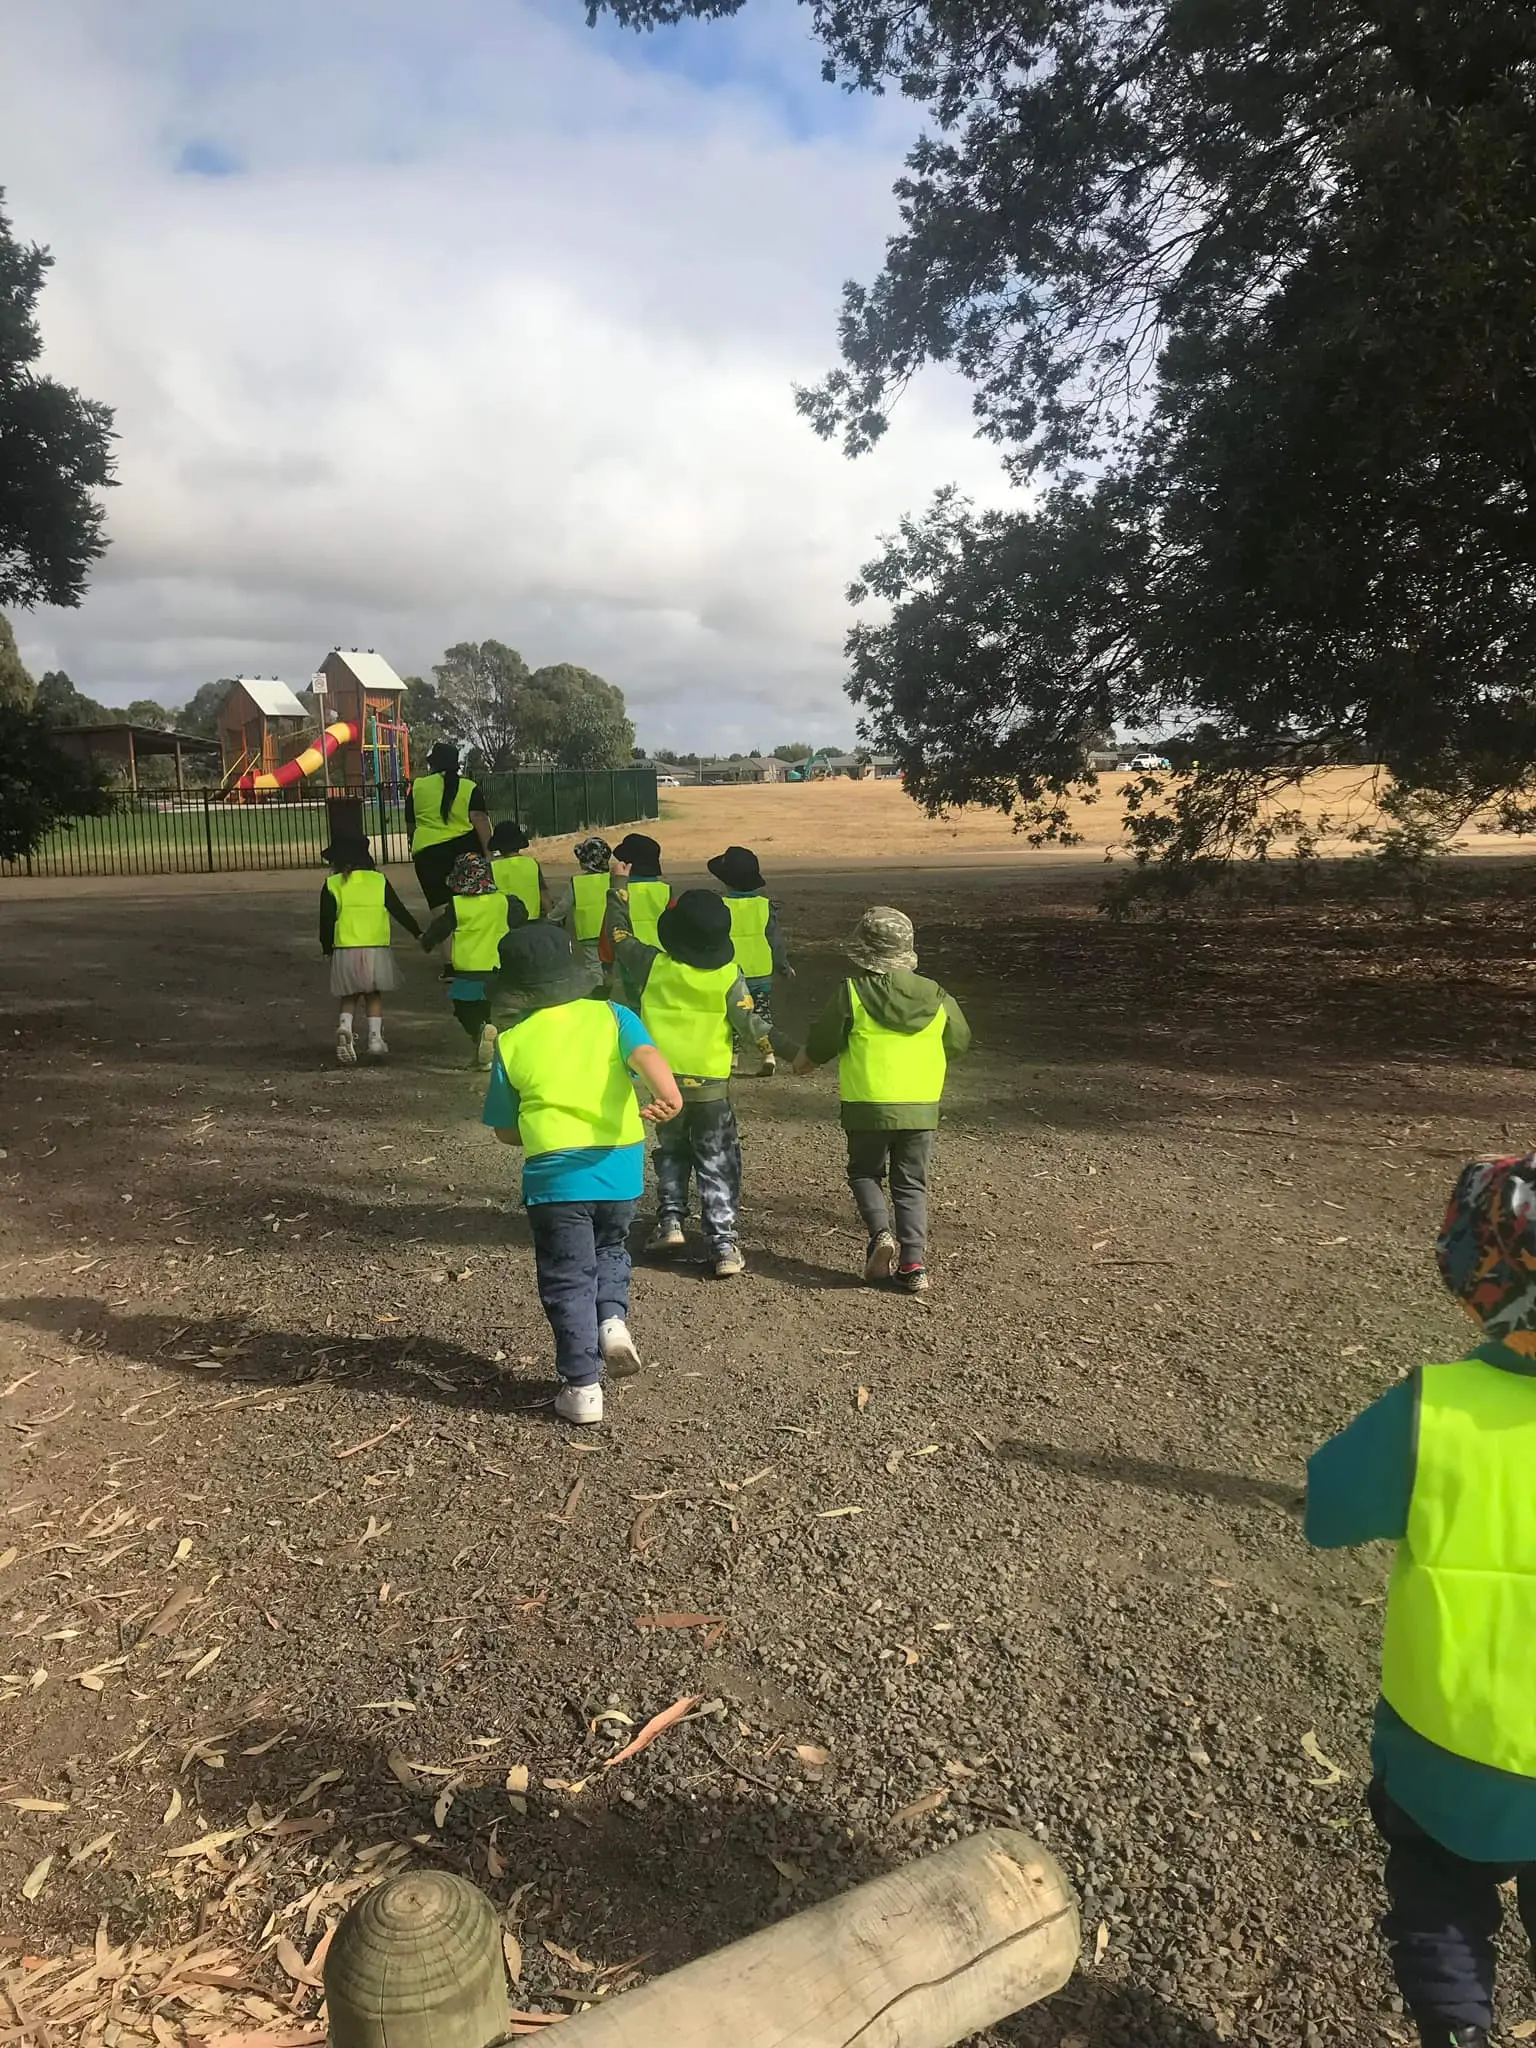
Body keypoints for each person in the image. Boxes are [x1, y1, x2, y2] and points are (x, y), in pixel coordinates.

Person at [1306, 1151, 1536, 2048]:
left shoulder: (1433, 1412)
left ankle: (1456, 2033)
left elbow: (1328, 1507)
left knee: (1441, 1905)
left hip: (1445, 1753)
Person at [483, 922, 682, 1426]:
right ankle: (613, 1320)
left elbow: (506, 1131)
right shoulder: (613, 1015)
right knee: (611, 1248)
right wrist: (668, 1096)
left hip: (554, 1178)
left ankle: (582, 1386)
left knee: (567, 1276)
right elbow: (647, 1056)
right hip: (618, 1167)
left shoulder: (511, 1041)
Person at [794, 906, 971, 1293]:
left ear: (863, 950)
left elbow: (823, 1042)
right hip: (922, 1107)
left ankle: (880, 1235)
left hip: (867, 1104)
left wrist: (803, 1062)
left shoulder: (852, 993)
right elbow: (958, 1042)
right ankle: (913, 1263)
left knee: (864, 1173)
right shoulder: (938, 995)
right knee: (911, 1184)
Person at [604, 885, 768, 1277]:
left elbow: (618, 936)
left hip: (663, 1082)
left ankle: (670, 1222)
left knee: (672, 1151)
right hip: (710, 1089)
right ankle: (723, 1243)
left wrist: (617, 895)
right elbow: (750, 1023)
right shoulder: (730, 975)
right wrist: (783, 1048)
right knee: (718, 1160)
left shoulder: (652, 963)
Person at [319, 833, 422, 1064]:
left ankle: (345, 1027)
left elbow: (325, 919)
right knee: (373, 993)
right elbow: (398, 909)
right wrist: (417, 932)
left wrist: (326, 947)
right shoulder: (379, 881)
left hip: (346, 946)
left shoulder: (332, 884)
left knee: (349, 993)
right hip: (376, 946)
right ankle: (375, 1038)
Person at [419, 852, 520, 1068]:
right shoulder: (504, 901)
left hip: (469, 968)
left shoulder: (458, 905)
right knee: (484, 1006)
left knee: (463, 1008)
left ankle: (479, 1034)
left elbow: (440, 928)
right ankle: (485, 1052)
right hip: (498, 966)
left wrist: (427, 942)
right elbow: (520, 916)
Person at [707, 844, 793, 1077]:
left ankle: (732, 1058)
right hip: (761, 971)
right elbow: (775, 941)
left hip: (731, 971)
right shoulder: (764, 906)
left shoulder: (720, 906)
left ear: (726, 881)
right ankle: (769, 1055)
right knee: (761, 1014)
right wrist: (783, 966)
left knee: (732, 1014)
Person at [406, 742, 491, 914]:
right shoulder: (469, 787)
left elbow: (411, 824)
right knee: (471, 908)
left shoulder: (418, 787)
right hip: (465, 851)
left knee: (441, 913)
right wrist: (488, 853)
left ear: (433, 764)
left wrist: (412, 843)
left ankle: (446, 939)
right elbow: (479, 818)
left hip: (428, 854)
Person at [603, 835, 672, 1004]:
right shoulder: (666, 890)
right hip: (662, 956)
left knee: (635, 1001)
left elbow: (610, 923)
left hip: (629, 956)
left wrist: (607, 959)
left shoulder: (619, 892)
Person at [547, 836, 612, 981]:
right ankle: (609, 981)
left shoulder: (577, 882)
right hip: (611, 927)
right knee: (611, 961)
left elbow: (564, 905)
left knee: (593, 963)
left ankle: (599, 990)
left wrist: (551, 918)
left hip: (589, 931)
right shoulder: (614, 878)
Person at [489, 820, 544, 923]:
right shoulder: (532, 863)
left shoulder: (492, 867)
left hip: (505, 922)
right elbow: (544, 893)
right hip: (532, 921)